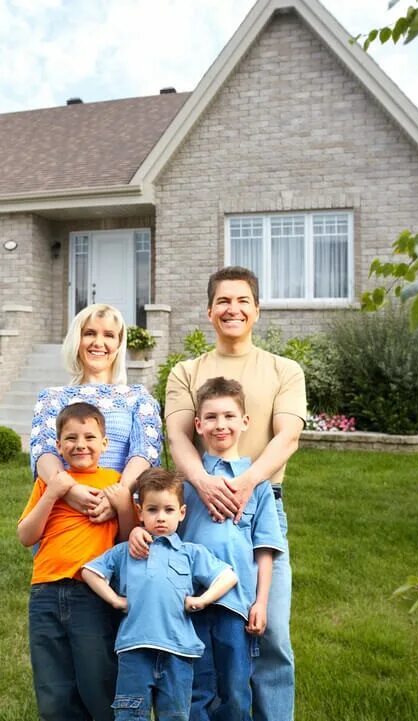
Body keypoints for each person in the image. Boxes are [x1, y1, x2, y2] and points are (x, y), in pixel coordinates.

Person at [131, 266, 305, 721]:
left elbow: (286, 437)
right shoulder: (186, 371)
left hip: (262, 508)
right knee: (196, 628)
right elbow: (178, 437)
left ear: (257, 309)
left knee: (270, 635)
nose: (233, 309)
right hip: (197, 513)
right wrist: (205, 485)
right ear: (209, 311)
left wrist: (246, 485)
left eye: (243, 300)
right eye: (224, 301)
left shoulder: (284, 370)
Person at [82, 468, 237, 721]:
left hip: (178, 652)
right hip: (134, 649)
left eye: (169, 510)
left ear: (182, 513)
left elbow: (227, 576)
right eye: (152, 510)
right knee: (129, 715)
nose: (161, 517)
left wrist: (202, 600)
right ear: (140, 512)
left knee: (174, 716)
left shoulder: (190, 553)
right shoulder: (126, 552)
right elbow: (90, 571)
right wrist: (114, 599)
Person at [178, 377, 285, 721]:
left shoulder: (258, 486)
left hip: (237, 606)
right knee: (195, 689)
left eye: (228, 416)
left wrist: (262, 602)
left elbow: (264, 550)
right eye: (210, 417)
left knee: (237, 691)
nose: (220, 425)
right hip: (189, 604)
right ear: (198, 425)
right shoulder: (186, 485)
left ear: (245, 422)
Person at [18, 402, 132, 721]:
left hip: (92, 595)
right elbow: (26, 536)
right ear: (58, 446)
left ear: (105, 443)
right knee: (54, 688)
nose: (80, 444)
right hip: (45, 592)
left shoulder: (114, 481)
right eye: (70, 438)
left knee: (98, 680)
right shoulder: (50, 483)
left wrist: (123, 506)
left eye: (89, 437)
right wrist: (52, 494)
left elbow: (126, 544)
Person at [30, 303, 162, 533]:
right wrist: (71, 492)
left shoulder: (138, 398)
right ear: (76, 340)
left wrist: (116, 498)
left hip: (123, 517)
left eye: (109, 335)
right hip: (66, 517)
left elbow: (144, 453)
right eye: (89, 333)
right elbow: (44, 452)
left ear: (119, 344)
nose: (98, 343)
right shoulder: (52, 398)